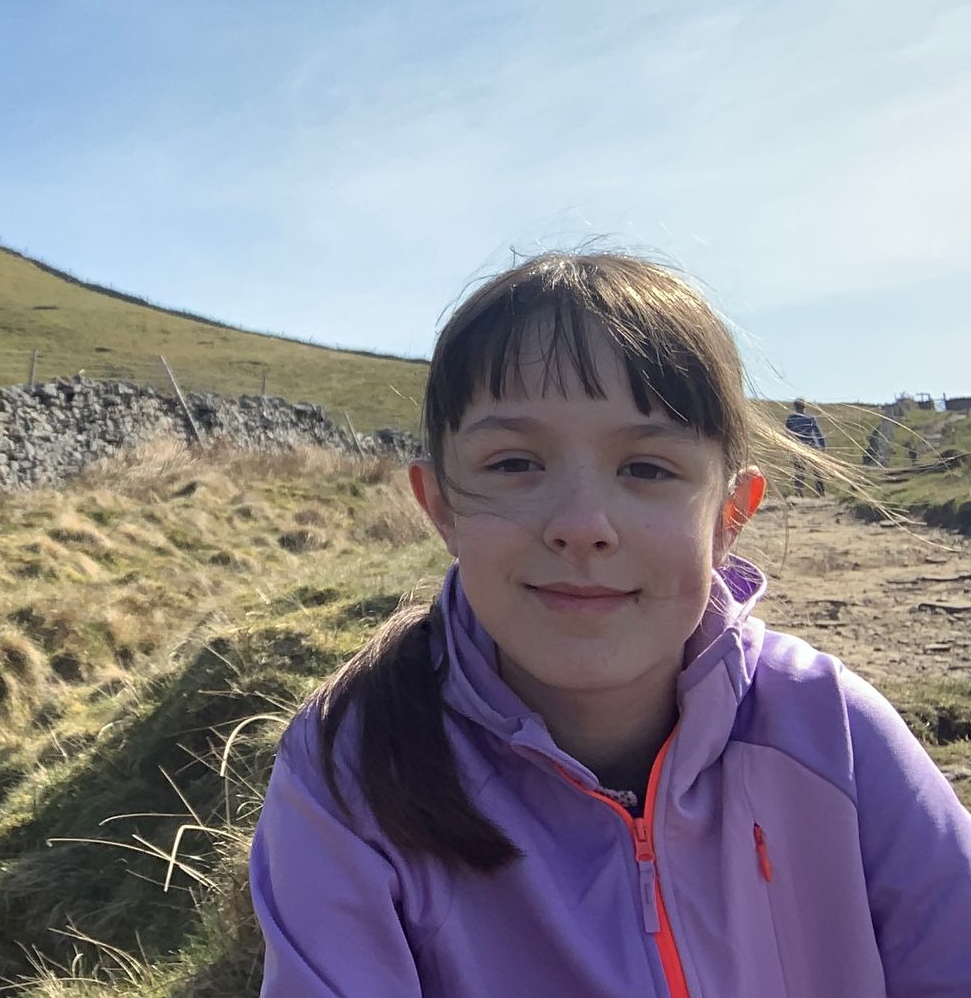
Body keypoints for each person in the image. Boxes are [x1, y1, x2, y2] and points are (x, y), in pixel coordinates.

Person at [249, 253, 971, 997]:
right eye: (514, 463)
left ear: (729, 516)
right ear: (440, 506)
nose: (582, 525)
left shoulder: (832, 732)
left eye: (647, 469)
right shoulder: (351, 772)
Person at [786, 397, 829, 496]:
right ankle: (820, 491)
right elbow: (817, 432)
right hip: (810, 445)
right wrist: (822, 445)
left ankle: (799, 491)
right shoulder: (809, 418)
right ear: (804, 406)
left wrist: (788, 446)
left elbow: (788, 433)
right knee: (816, 470)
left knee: (799, 470)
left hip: (797, 446)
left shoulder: (791, 418)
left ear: (795, 406)